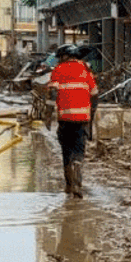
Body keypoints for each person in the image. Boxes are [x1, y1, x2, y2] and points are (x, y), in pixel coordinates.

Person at [48, 44, 97, 198]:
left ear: (64, 56)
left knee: (66, 150)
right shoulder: (85, 69)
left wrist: (48, 116)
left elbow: (52, 93)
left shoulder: (59, 70)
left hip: (65, 119)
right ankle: (77, 177)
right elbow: (95, 94)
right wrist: (91, 116)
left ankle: (69, 185)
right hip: (82, 119)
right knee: (78, 150)